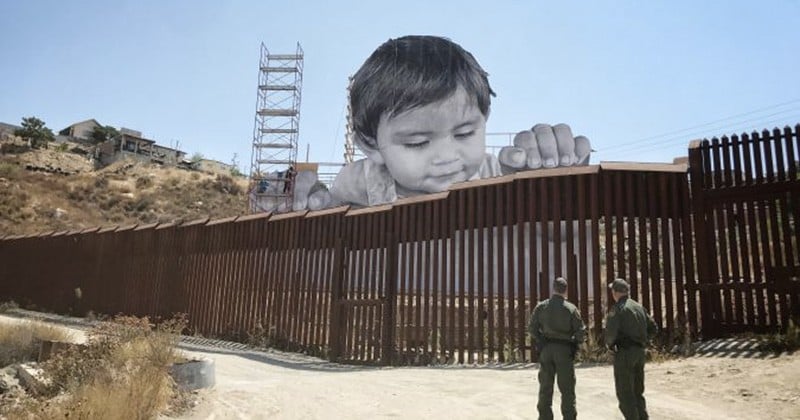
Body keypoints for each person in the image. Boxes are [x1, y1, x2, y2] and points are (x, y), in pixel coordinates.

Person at [330, 35, 591, 207]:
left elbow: (555, 236)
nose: (446, 157)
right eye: (418, 142)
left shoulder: (501, 177)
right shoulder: (358, 184)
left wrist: (552, 191)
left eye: (465, 133)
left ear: (484, 119)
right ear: (370, 145)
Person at [528, 277, 586, 420]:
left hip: (546, 349)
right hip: (564, 350)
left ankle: (544, 417)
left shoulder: (542, 306)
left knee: (545, 387)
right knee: (567, 389)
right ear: (565, 290)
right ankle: (569, 417)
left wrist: (540, 339)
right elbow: (581, 332)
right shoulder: (571, 308)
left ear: (553, 288)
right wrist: (575, 344)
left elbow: (531, 328)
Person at [604, 278, 658, 420]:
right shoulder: (639, 307)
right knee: (637, 392)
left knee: (625, 394)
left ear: (615, 292)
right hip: (640, 353)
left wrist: (610, 347)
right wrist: (643, 340)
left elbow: (611, 333)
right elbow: (654, 328)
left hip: (625, 354)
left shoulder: (617, 309)